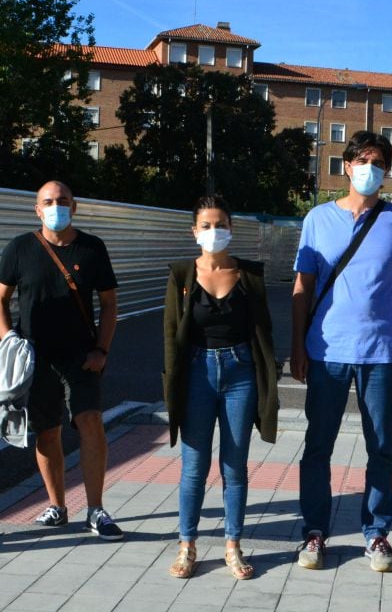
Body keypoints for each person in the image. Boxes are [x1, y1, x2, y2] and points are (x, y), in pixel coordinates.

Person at [291, 130, 392, 573]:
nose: (370, 169)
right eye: (362, 160)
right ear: (346, 166)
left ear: (387, 170)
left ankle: (377, 533)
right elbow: (302, 287)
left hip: (381, 353)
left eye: (379, 162)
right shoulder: (317, 219)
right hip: (327, 350)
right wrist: (296, 345)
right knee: (317, 446)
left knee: (381, 446)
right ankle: (314, 531)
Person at [0, 180, 123, 540]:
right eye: (48, 201)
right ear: (37, 209)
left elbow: (110, 305)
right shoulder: (19, 249)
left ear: (74, 206)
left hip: (82, 357)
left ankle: (96, 509)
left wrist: (102, 350)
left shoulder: (92, 248)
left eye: (62, 200)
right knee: (47, 433)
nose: (55, 206)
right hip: (35, 359)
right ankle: (58, 506)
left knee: (91, 423)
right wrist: (9, 341)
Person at [162, 195, 279, 580]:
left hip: (240, 372)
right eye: (207, 226)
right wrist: (171, 386)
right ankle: (187, 545)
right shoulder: (181, 275)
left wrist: (270, 376)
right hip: (197, 371)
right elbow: (169, 337)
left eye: (222, 224)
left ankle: (232, 544)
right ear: (194, 231)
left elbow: (263, 330)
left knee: (235, 465)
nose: (215, 232)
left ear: (232, 228)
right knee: (194, 466)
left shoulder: (250, 275)